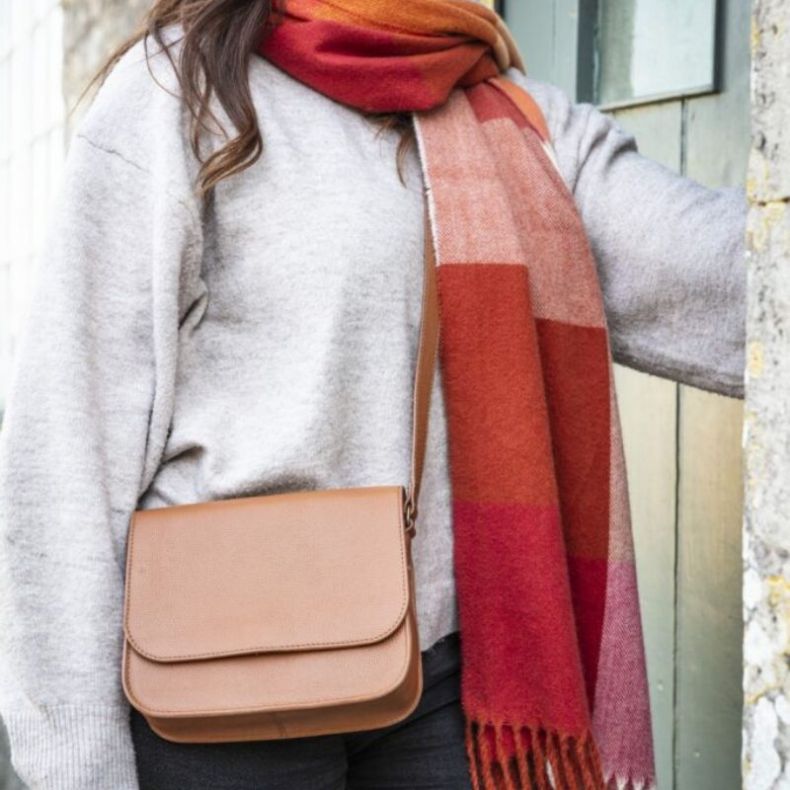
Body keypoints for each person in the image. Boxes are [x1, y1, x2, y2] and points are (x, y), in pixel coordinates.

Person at [0, 1, 746, 788]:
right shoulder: (177, 90)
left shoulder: (509, 116)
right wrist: (77, 762)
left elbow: (724, 279)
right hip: (207, 677)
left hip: (438, 685)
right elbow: (65, 443)